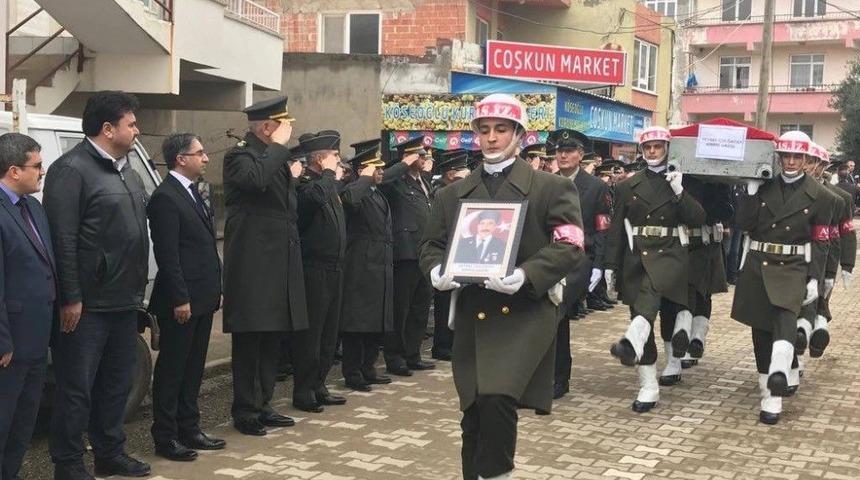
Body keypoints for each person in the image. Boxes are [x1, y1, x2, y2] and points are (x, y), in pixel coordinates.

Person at [420, 94, 584, 480]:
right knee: (474, 410)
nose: (491, 138)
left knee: (496, 397)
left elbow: (571, 243)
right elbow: (431, 245)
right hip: (474, 312)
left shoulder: (549, 188)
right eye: (484, 130)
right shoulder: (451, 194)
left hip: (524, 312)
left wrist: (526, 274)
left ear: (519, 134)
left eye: (501, 129)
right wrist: (436, 272)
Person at [43, 91, 151, 480]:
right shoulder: (70, 170)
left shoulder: (128, 171)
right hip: (86, 305)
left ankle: (109, 454)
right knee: (77, 389)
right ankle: (69, 464)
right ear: (108, 129)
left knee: (115, 384)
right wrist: (71, 296)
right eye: (131, 124)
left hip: (124, 300)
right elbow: (63, 239)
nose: (137, 130)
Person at [603, 126, 706, 414]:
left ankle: (638, 346)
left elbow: (698, 218)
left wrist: (679, 190)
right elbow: (616, 230)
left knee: (658, 311)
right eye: (647, 147)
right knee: (641, 314)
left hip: (672, 254)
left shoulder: (682, 181)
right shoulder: (627, 186)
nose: (652, 152)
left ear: (667, 148)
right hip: (637, 257)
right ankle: (648, 385)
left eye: (658, 147)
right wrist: (610, 265)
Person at [222, 95, 308, 436]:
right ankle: (245, 410)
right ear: (268, 127)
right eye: (283, 126)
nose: (287, 133)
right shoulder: (239, 156)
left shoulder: (271, 158)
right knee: (251, 339)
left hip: (278, 263)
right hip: (253, 266)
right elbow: (255, 181)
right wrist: (279, 148)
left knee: (272, 336)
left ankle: (263, 403)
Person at [731, 130, 830, 425]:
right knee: (761, 330)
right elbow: (743, 225)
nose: (790, 161)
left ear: (805, 159)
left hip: (793, 265)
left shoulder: (819, 195)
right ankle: (768, 390)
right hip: (759, 263)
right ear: (778, 157)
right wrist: (749, 194)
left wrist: (815, 279)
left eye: (796, 156)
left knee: (786, 320)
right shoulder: (762, 187)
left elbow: (820, 241)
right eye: (785, 156)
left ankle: (779, 377)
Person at [147, 133, 225, 461]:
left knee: (194, 367)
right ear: (181, 159)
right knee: (172, 370)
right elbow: (168, 254)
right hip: (181, 301)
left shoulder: (193, 192)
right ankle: (165, 436)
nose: (206, 158)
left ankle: (189, 428)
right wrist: (181, 298)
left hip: (203, 296)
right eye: (200, 153)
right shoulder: (166, 197)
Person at [0, 133, 55, 480]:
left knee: (24, 422)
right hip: (10, 344)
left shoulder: (33, 207)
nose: (42, 171)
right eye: (36, 166)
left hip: (37, 339)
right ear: (13, 170)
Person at [549, 128, 613, 400]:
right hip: (549, 257)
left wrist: (599, 265)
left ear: (580, 154)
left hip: (579, 259)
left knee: (558, 312)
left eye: (570, 151)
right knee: (550, 317)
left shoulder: (596, 187)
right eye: (560, 151)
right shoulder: (546, 182)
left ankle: (559, 379)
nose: (564, 155)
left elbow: (601, 229)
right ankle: (550, 376)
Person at [291, 130, 348, 413]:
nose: (340, 161)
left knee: (329, 333)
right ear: (320, 158)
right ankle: (303, 391)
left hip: (335, 268)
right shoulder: (306, 184)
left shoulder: (328, 185)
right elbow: (310, 201)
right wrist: (327, 175)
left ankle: (319, 384)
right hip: (314, 269)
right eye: (335, 156)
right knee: (311, 336)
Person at [339, 141, 395, 392]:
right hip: (360, 265)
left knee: (376, 320)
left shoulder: (377, 193)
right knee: (357, 322)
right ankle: (353, 371)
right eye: (377, 168)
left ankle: (369, 367)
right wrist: (362, 178)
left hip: (380, 264)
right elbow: (349, 201)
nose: (381, 172)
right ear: (364, 169)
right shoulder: (355, 189)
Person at [379, 137, 435, 376]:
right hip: (405, 252)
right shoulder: (397, 181)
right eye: (419, 156)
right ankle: (395, 356)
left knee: (419, 307)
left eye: (424, 156)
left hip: (423, 252)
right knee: (400, 308)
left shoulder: (422, 181)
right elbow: (382, 179)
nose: (424, 160)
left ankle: (413, 353)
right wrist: (403, 163)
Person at [430, 150, 471, 362]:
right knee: (444, 303)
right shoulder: (444, 193)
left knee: (453, 302)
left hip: (460, 254)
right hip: (445, 254)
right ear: (451, 174)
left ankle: (450, 342)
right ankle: (442, 344)